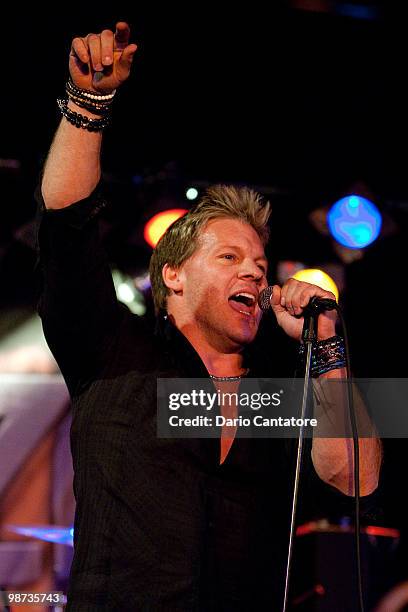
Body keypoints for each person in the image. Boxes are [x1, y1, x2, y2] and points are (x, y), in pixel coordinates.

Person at [36, 21, 382, 611]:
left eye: (259, 262)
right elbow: (67, 221)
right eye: (229, 257)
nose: (254, 271)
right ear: (173, 274)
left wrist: (325, 346)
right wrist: (88, 102)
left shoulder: (273, 391)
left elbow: (356, 478)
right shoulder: (114, 352)